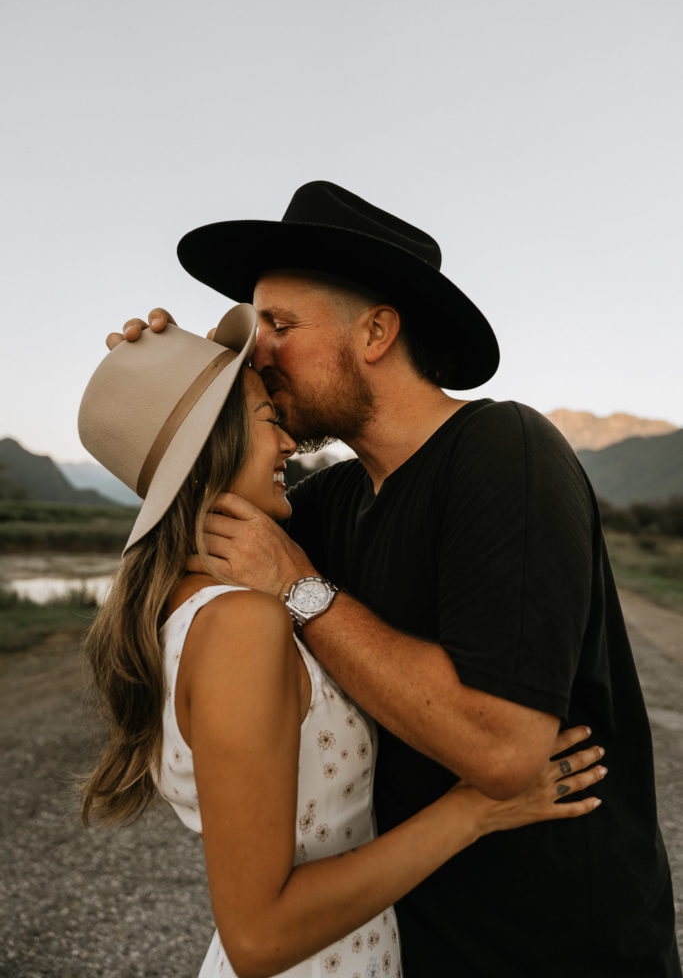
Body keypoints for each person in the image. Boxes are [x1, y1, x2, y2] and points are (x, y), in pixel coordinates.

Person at [111, 180, 681, 978]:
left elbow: (504, 750)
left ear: (376, 331)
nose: (262, 352)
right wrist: (168, 384)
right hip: (423, 944)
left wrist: (303, 590)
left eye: (278, 325)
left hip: (559, 947)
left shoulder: (502, 452)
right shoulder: (333, 500)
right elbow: (203, 503)